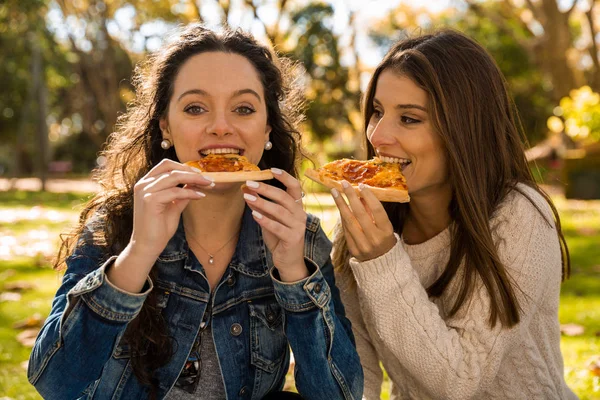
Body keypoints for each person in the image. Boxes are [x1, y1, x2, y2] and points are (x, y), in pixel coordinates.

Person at [28, 24, 363, 400]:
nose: (221, 127)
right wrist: (138, 253)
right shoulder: (115, 227)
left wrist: (293, 274)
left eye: (243, 108)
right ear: (165, 127)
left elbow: (340, 394)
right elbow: (54, 384)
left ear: (267, 127)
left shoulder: (301, 235)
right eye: (195, 108)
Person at [331, 29, 578, 399]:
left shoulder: (519, 215)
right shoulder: (365, 226)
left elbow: (460, 380)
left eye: (410, 119)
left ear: (464, 130)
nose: (378, 136)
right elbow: (359, 375)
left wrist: (382, 259)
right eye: (377, 112)